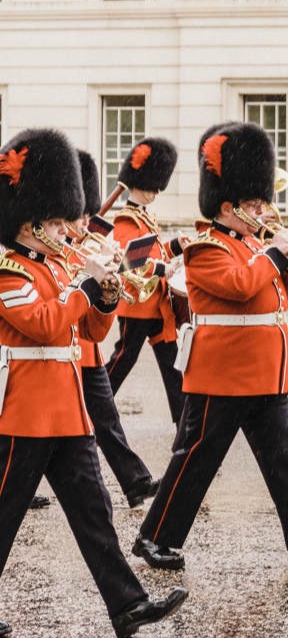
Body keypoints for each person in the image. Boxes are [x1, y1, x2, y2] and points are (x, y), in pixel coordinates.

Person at [132, 123, 288, 571]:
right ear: (229, 205)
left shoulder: (253, 244)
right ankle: (155, 538)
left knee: (285, 463)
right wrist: (272, 255)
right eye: (254, 203)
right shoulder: (206, 248)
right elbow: (240, 286)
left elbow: (279, 297)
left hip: (262, 373)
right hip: (222, 373)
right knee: (195, 459)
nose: (263, 209)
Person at [0, 127, 186, 638]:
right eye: (57, 222)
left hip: (67, 410)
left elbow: (89, 331)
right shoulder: (9, 272)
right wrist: (82, 291)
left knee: (95, 514)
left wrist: (105, 295)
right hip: (25, 413)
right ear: (31, 222)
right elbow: (42, 323)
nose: (65, 231)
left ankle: (127, 604)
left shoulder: (58, 267)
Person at [71, 149, 158, 508]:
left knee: (105, 417)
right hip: (59, 349)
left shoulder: (83, 241)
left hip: (86, 349)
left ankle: (134, 481)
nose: (80, 222)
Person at [103, 137, 185, 425]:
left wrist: (177, 245)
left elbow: (156, 250)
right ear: (137, 184)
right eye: (151, 187)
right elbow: (131, 261)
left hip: (157, 304)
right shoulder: (126, 219)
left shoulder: (145, 217)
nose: (155, 193)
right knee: (123, 360)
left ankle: (184, 423)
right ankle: (94, 404)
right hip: (137, 307)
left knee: (174, 365)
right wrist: (163, 268)